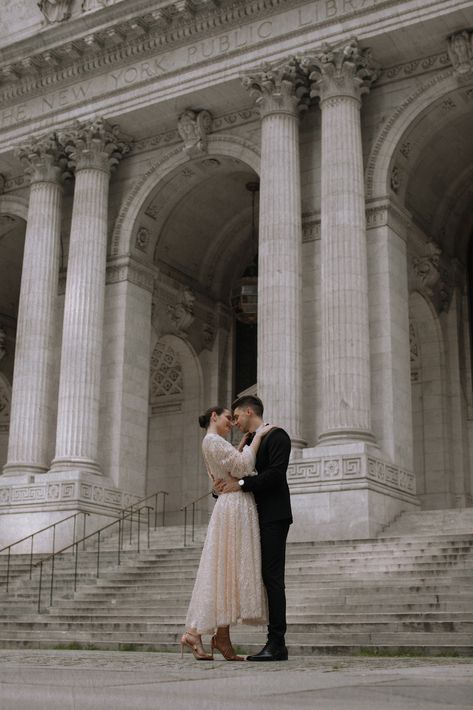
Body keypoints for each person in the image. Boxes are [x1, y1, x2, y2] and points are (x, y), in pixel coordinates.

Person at [181, 405, 273, 661]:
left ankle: (220, 636)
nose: (231, 423)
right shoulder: (213, 441)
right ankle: (195, 631)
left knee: (227, 572)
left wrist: (243, 444)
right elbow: (243, 467)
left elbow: (231, 468)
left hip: (232, 505)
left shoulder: (214, 443)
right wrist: (258, 439)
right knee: (224, 569)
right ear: (214, 416)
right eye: (227, 418)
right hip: (233, 507)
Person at [215, 395, 292, 661]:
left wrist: (242, 485)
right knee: (257, 577)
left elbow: (275, 475)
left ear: (249, 412)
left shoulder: (277, 435)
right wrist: (224, 487)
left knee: (272, 578)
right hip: (249, 518)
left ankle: (277, 642)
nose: (234, 422)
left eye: (236, 417)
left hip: (273, 515)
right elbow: (238, 474)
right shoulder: (247, 441)